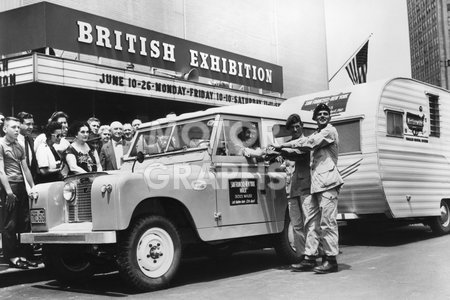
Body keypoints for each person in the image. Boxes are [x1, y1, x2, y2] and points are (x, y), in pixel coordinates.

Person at [276, 103, 343, 274]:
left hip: (328, 182)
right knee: (312, 223)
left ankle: (331, 260)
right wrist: (282, 148)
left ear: (329, 116)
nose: (322, 116)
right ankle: (310, 258)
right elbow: (305, 142)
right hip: (316, 185)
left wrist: (282, 147)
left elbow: (309, 143)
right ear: (315, 118)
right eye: (319, 114)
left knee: (328, 223)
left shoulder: (328, 131)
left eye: (325, 113)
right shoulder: (317, 133)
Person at [275, 114, 312, 271]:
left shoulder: (306, 142)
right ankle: (303, 257)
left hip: (306, 188)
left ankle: (315, 254)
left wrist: (281, 150)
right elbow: (284, 164)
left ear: (302, 126)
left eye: (298, 126)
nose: (296, 129)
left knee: (310, 223)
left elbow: (298, 155)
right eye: (293, 127)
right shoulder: (287, 145)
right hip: (291, 190)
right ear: (289, 129)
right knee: (297, 225)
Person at [0, 117, 37, 269]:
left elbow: (26, 168)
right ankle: (12, 256)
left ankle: (24, 255)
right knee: (10, 224)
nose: (17, 130)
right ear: (5, 129)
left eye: (17, 127)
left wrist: (33, 187)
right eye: (13, 127)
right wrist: (8, 191)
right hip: (9, 186)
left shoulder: (19, 144)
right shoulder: (1, 144)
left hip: (21, 186)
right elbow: (1, 170)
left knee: (25, 222)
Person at [16, 112, 38, 182]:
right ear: (19, 124)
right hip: (17, 181)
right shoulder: (13, 140)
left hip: (31, 179)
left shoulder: (31, 139)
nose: (31, 127)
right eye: (28, 124)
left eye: (32, 124)